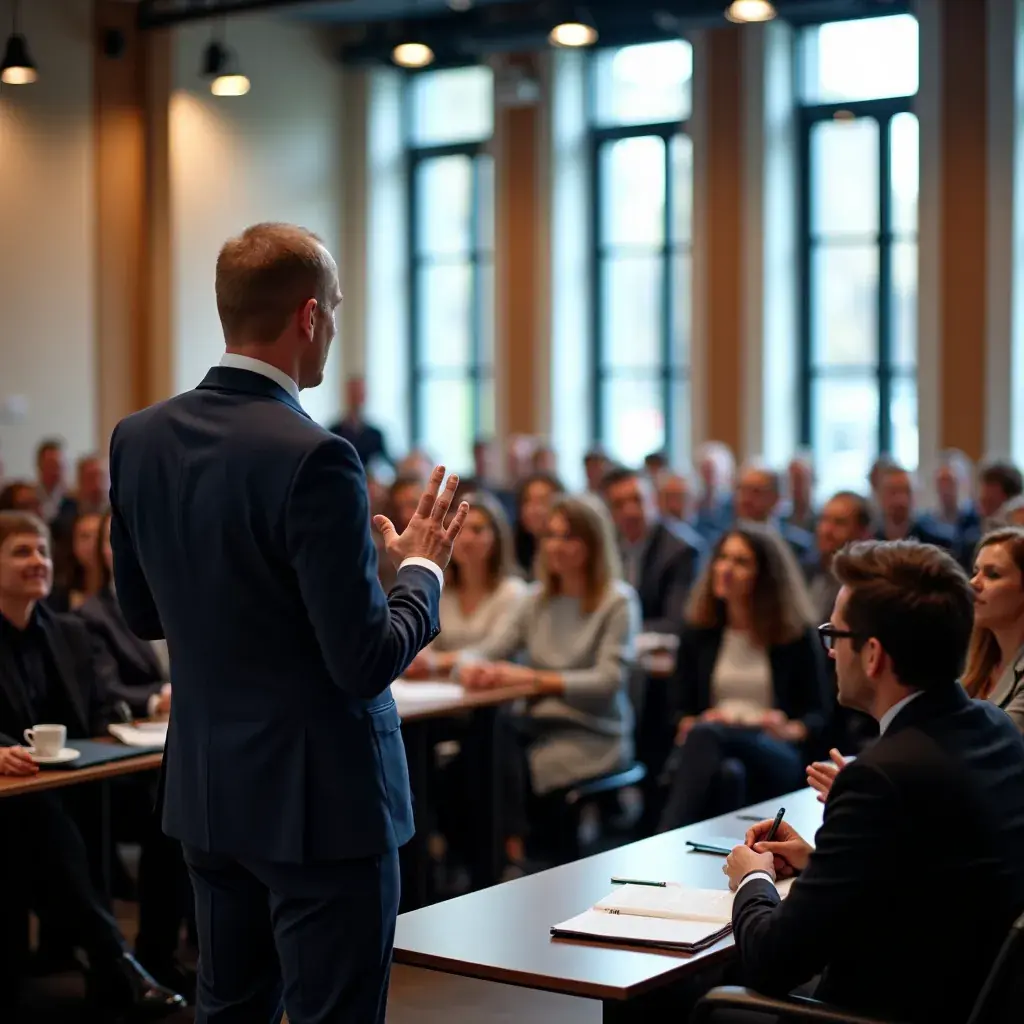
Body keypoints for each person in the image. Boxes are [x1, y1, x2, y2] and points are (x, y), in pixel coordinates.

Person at [107, 222, 468, 1024]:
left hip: (209, 790)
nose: (335, 327)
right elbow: (363, 661)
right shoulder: (316, 456)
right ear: (308, 316)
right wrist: (422, 573)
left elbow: (140, 612)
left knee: (227, 1008)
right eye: (334, 308)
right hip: (324, 803)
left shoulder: (138, 439)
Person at [723, 540, 1024, 1024]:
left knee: (699, 991)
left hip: (869, 1013)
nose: (830, 651)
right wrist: (820, 862)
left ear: (873, 655)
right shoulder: (996, 729)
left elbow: (771, 963)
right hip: (958, 999)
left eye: (835, 635)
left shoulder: (879, 776)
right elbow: (938, 877)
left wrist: (751, 878)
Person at [0, 511, 184, 1016]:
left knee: (174, 807)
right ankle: (116, 962)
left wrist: (125, 721)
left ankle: (141, 957)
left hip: (79, 787)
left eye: (41, 551)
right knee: (42, 821)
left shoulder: (68, 632)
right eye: (20, 552)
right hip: (17, 797)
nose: (37, 561)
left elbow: (99, 712)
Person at [459, 495, 639, 815]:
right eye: (551, 536)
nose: (555, 546)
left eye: (568, 537)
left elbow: (607, 681)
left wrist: (532, 679)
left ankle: (513, 851)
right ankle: (497, 855)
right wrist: (470, 666)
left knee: (505, 756)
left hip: (593, 733)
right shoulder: (536, 599)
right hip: (538, 724)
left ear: (594, 543)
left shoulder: (618, 601)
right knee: (477, 746)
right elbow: (489, 649)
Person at [658, 525, 827, 830]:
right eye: (722, 558)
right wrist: (688, 722)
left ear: (766, 574)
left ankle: (664, 839)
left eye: (741, 562)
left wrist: (788, 728)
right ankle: (735, 858)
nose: (726, 569)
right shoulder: (699, 632)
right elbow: (678, 711)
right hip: (713, 745)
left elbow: (818, 715)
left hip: (773, 747)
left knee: (708, 735)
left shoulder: (794, 635)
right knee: (728, 772)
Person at [405, 492, 527, 678]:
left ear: (497, 538)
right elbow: (423, 646)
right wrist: (421, 660)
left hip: (494, 696)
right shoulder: (439, 590)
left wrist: (435, 662)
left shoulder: (513, 591)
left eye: (477, 530)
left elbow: (492, 651)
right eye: (458, 531)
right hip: (440, 692)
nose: (466, 539)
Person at [601, 465, 705, 634]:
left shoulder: (682, 550)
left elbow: (675, 622)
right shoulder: (607, 545)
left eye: (637, 500)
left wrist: (618, 631)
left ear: (655, 500)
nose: (630, 511)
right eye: (618, 504)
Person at [962, 527, 1024, 730]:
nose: (973, 583)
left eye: (992, 574)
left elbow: (996, 744)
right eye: (975, 572)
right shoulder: (976, 664)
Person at [326, 376, 392, 470]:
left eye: (360, 393)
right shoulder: (333, 433)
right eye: (354, 393)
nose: (357, 397)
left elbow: (386, 464)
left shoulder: (375, 435)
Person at [512, 471, 563, 580]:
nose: (533, 509)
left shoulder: (567, 553)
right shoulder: (513, 548)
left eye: (542, 501)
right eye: (527, 501)